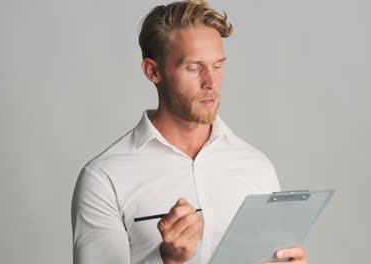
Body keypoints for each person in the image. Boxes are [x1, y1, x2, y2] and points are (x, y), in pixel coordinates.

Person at [71, 1, 308, 263]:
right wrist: (166, 260)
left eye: (217, 66)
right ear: (153, 71)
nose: (211, 82)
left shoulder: (257, 167)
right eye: (194, 68)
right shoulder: (105, 179)